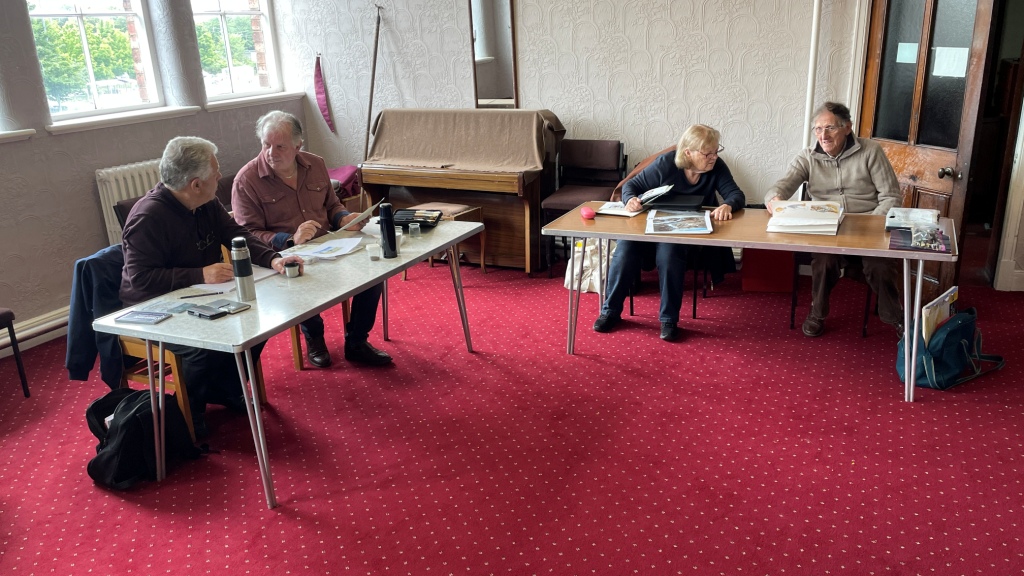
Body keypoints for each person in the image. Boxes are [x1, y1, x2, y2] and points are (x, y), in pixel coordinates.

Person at [120, 136, 304, 438]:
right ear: (195, 184)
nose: (219, 177)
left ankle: (224, 389)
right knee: (202, 347)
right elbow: (140, 280)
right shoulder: (148, 217)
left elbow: (237, 235)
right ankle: (189, 414)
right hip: (151, 307)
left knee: (258, 321)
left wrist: (274, 259)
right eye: (215, 173)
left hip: (198, 297)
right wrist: (199, 275)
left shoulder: (205, 203)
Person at [232, 110, 391, 367]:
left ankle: (357, 341)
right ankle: (314, 337)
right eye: (266, 144)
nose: (271, 153)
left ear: (298, 146)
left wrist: (344, 219)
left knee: (374, 273)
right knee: (300, 277)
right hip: (282, 258)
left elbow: (332, 205)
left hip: (328, 246)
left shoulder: (315, 164)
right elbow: (247, 233)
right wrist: (289, 239)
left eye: (280, 146)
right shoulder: (247, 180)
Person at [593, 125, 745, 341]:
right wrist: (631, 200)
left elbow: (736, 194)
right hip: (648, 225)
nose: (713, 157)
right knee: (625, 249)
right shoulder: (666, 164)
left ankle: (668, 320)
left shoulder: (716, 167)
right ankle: (610, 311)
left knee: (670, 252)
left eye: (716, 151)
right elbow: (630, 186)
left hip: (682, 229)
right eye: (707, 153)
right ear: (688, 153)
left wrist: (728, 205)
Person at [764, 101, 902, 337]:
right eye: (818, 129)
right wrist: (774, 198)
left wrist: (870, 225)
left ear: (847, 127)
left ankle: (896, 318)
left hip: (868, 226)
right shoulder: (807, 157)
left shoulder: (871, 151)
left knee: (880, 266)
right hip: (828, 228)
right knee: (824, 261)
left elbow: (891, 196)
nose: (823, 135)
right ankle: (817, 312)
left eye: (830, 128)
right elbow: (781, 186)